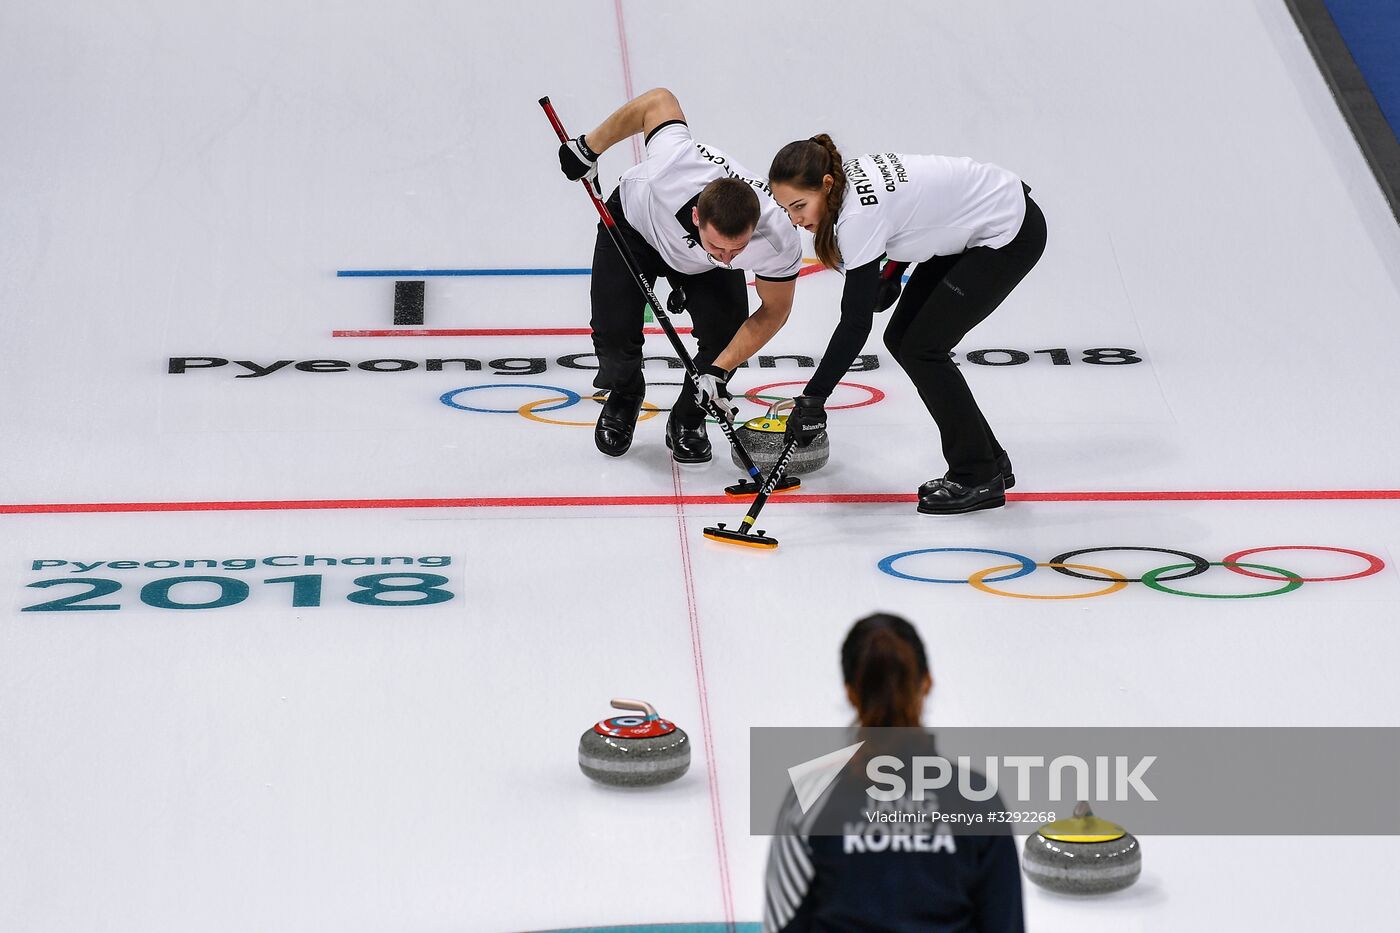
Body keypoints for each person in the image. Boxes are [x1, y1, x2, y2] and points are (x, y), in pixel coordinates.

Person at [767, 137, 1047, 513]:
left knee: (923, 349)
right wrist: (893, 271)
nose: (796, 220)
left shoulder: (855, 218)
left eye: (799, 206)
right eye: (786, 209)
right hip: (978, 221)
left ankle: (977, 475)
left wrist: (814, 398)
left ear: (827, 184)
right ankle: (988, 459)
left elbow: (854, 324)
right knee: (901, 338)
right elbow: (918, 212)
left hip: (1009, 231)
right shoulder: (847, 184)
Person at [557, 89, 803, 462]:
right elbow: (658, 101)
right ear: (696, 217)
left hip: (698, 265)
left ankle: (688, 417)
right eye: (719, 246)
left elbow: (775, 311)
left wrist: (719, 370)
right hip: (634, 227)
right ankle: (625, 394)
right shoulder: (674, 166)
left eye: (737, 250)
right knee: (613, 331)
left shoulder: (777, 238)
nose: (727, 258)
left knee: (726, 336)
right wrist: (589, 147)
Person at [763, 613, 1026, 932]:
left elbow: (782, 923)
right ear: (926, 683)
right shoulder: (977, 799)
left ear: (851, 693)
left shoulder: (809, 798)